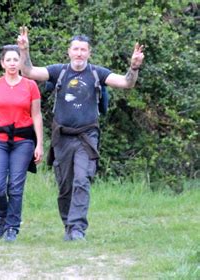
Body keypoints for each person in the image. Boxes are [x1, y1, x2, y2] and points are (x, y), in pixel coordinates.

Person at [17, 27, 144, 241]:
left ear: (89, 53)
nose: (79, 53)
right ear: (69, 51)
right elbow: (28, 72)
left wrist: (134, 67)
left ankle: (77, 229)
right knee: (65, 185)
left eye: (83, 50)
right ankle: (69, 224)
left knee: (82, 180)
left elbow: (126, 83)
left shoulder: (97, 73)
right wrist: (24, 50)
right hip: (62, 137)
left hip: (87, 137)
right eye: (75, 49)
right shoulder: (59, 71)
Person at [0, 45, 44, 242]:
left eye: (16, 59)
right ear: (2, 63)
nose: (13, 63)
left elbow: (37, 116)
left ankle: (13, 226)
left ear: (21, 62)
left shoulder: (31, 86)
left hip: (23, 141)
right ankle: (2, 216)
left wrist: (40, 144)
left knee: (15, 186)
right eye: (9, 60)